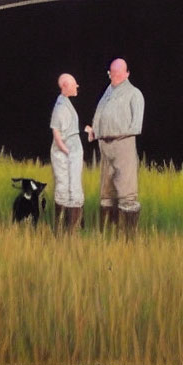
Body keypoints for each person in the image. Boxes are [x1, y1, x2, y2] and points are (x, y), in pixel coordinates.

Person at [86, 58, 144, 236]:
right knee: (106, 193)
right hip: (105, 146)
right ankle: (107, 235)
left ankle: (129, 238)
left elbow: (136, 126)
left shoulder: (134, 94)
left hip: (122, 145)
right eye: (112, 72)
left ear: (127, 73)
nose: (114, 76)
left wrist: (110, 131)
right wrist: (94, 131)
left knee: (126, 192)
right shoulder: (108, 91)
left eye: (118, 72)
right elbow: (100, 114)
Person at [50, 73, 84, 232]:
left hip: (71, 153)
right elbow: (56, 133)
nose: (77, 86)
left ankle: (71, 231)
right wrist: (67, 151)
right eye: (73, 84)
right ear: (64, 86)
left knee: (72, 188)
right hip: (66, 155)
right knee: (67, 188)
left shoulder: (66, 104)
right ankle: (66, 230)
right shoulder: (61, 107)